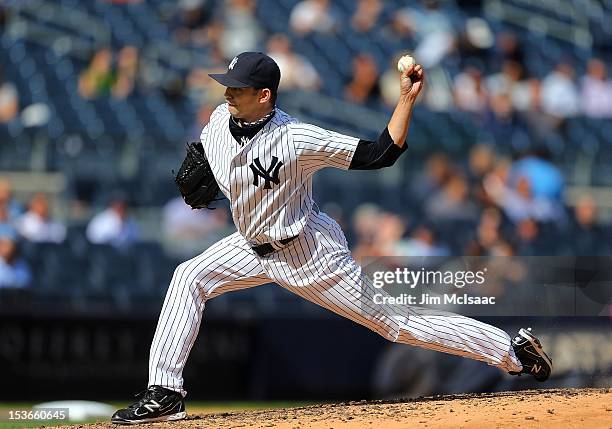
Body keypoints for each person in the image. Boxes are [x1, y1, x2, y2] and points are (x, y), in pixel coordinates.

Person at [111, 52, 552, 424]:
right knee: (189, 277)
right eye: (227, 85)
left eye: (238, 88)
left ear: (264, 96)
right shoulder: (217, 121)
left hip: (308, 252)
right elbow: (211, 163)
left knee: (395, 323)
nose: (227, 93)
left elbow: (382, 153)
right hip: (250, 245)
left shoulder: (297, 139)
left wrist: (405, 98)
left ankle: (511, 351)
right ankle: (165, 394)